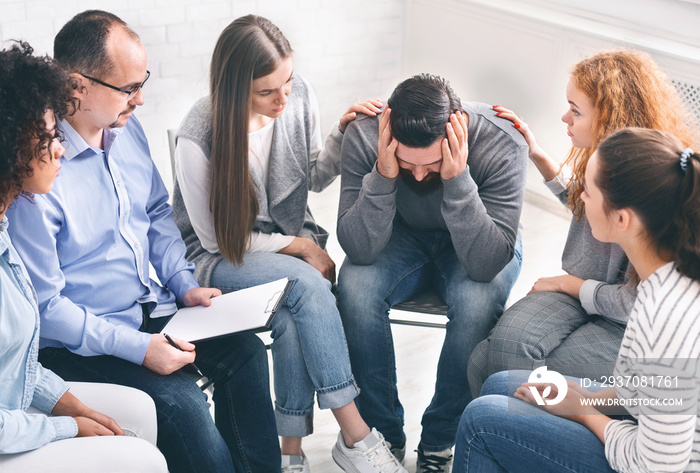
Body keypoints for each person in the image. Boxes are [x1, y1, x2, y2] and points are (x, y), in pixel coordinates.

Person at [6, 10, 280, 473]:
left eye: (142, 82)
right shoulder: (35, 177)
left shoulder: (126, 129)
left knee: (246, 354)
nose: (142, 99)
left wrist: (181, 281)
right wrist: (139, 348)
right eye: (129, 88)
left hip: (148, 309)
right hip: (81, 344)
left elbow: (155, 212)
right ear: (77, 86)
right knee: (184, 408)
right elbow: (49, 310)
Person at [173, 14, 405, 473]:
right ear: (235, 88)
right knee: (305, 286)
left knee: (291, 316)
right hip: (219, 256)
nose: (284, 98)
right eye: (267, 91)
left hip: (283, 246)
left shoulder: (298, 98)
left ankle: (290, 455)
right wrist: (297, 246)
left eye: (289, 81)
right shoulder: (198, 136)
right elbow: (215, 240)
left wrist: (341, 136)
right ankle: (356, 435)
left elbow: (309, 176)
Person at [454, 127, 700, 472]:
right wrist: (590, 398)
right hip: (645, 432)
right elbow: (650, 386)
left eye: (588, 189)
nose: (580, 196)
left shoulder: (668, 311)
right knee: (500, 382)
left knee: (480, 420)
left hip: (656, 462)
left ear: (621, 218)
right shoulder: (664, 273)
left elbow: (658, 465)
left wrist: (584, 412)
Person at [468, 49, 699, 397]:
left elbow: (642, 302)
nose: (565, 117)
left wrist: (569, 285)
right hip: (585, 290)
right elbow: (587, 202)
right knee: (486, 357)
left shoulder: (657, 186)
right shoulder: (608, 167)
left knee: (494, 363)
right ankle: (497, 434)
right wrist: (539, 156)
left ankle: (513, 437)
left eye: (575, 111)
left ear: (609, 118)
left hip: (624, 316)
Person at [336, 73, 528, 471]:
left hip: (479, 236)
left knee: (477, 300)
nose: (420, 176)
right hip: (400, 236)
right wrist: (385, 174)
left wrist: (457, 178)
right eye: (408, 163)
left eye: (434, 163)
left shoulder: (501, 142)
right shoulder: (363, 135)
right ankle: (382, 434)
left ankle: (441, 440)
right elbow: (359, 249)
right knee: (353, 287)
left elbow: (486, 264)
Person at [0, 41, 166, 472]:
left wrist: (75, 407)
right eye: (48, 137)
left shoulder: (4, 236)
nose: (61, 149)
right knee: (143, 460)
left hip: (16, 411)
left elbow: (16, 364)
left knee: (136, 416)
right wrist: (67, 427)